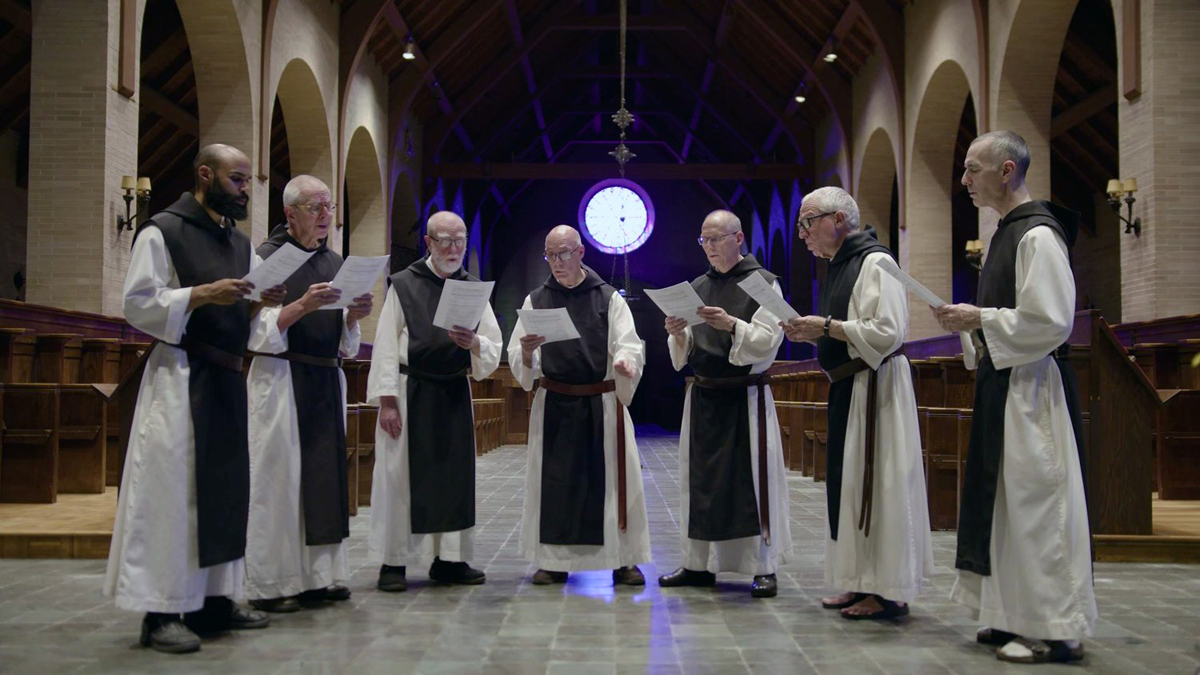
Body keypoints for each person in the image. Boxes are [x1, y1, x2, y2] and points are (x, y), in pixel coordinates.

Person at [104, 144, 287, 653]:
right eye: (236, 180)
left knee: (225, 490)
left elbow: (244, 319)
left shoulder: (241, 243)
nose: (245, 189)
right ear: (205, 175)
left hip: (227, 378)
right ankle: (160, 610)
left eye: (249, 181)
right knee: (173, 493)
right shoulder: (162, 231)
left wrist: (258, 304)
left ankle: (215, 600)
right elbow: (137, 305)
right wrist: (202, 294)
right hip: (181, 375)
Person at [934, 130, 1096, 664]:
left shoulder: (1038, 235)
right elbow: (1010, 317)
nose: (964, 182)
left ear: (1007, 170)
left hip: (1032, 390)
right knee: (1006, 503)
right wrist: (969, 322)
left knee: (1036, 506)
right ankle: (1011, 614)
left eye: (972, 170)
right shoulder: (1006, 233)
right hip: (1005, 385)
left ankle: (1053, 627)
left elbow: (1052, 321)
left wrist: (978, 318)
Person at [782, 187, 933, 619]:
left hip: (877, 389)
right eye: (801, 224)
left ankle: (887, 590)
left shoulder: (876, 262)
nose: (803, 233)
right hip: (852, 388)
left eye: (809, 221)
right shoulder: (842, 265)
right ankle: (859, 580)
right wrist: (816, 331)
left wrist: (825, 326)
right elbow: (849, 327)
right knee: (851, 487)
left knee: (878, 485)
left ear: (839, 220)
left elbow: (888, 331)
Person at [244, 175, 373, 612]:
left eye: (329, 207)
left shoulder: (336, 263)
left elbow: (343, 342)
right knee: (278, 482)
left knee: (322, 481)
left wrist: (352, 318)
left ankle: (320, 577)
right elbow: (251, 331)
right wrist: (302, 306)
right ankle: (271, 584)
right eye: (314, 208)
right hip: (281, 378)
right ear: (289, 214)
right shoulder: (265, 259)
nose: (325, 216)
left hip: (324, 379)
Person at [658, 210, 792, 598]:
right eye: (704, 240)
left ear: (739, 238)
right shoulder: (696, 286)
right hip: (704, 395)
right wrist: (678, 333)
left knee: (753, 480)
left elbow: (769, 340)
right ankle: (698, 564)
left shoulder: (763, 284)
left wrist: (733, 325)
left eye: (716, 239)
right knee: (700, 484)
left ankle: (762, 566)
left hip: (745, 395)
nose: (710, 247)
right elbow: (683, 352)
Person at [509, 225, 649, 586]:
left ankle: (623, 559)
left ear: (581, 252)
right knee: (554, 484)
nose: (557, 262)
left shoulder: (608, 298)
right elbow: (519, 353)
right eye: (550, 255)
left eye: (564, 254)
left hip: (601, 402)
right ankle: (553, 560)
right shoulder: (536, 299)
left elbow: (629, 343)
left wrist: (625, 363)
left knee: (615, 482)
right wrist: (525, 353)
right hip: (555, 403)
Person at [368, 211, 501, 591]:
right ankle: (392, 564)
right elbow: (385, 346)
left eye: (460, 240)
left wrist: (473, 343)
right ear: (428, 243)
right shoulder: (405, 285)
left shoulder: (472, 289)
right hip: (412, 393)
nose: (454, 248)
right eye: (446, 240)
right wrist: (388, 402)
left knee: (453, 480)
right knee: (399, 479)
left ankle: (450, 560)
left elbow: (493, 345)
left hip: (453, 392)